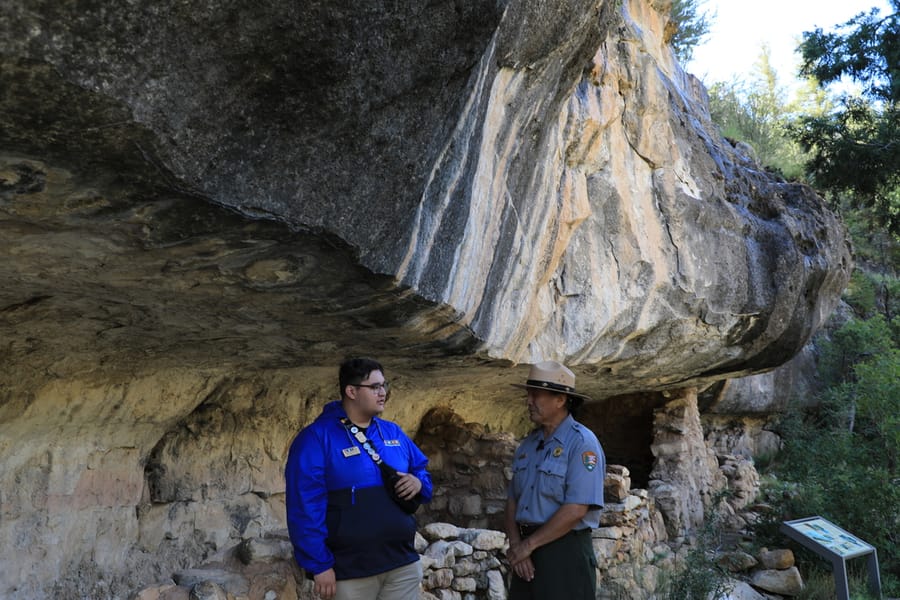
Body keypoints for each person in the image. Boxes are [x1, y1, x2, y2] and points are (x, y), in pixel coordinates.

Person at [285, 357, 432, 600]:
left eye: (384, 385)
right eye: (374, 387)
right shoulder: (316, 438)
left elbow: (422, 472)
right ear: (351, 391)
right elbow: (304, 505)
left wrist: (419, 483)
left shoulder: (392, 431)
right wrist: (319, 565)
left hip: (401, 565)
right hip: (350, 572)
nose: (383, 392)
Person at [504, 360, 606, 600]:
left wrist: (527, 547)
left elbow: (576, 509)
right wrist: (520, 547)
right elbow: (512, 502)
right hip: (526, 551)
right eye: (528, 394)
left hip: (564, 551)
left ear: (560, 400)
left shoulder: (582, 443)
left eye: (536, 395)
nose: (528, 401)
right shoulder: (528, 445)